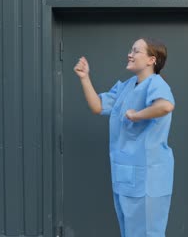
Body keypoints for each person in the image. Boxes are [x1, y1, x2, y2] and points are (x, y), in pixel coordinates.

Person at [73, 38, 175, 237]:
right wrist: (85, 78)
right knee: (130, 232)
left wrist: (136, 115)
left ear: (151, 60)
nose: (130, 54)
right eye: (131, 50)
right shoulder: (126, 87)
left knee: (148, 233)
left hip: (148, 178)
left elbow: (165, 106)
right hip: (125, 175)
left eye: (136, 51)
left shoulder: (155, 84)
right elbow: (98, 106)